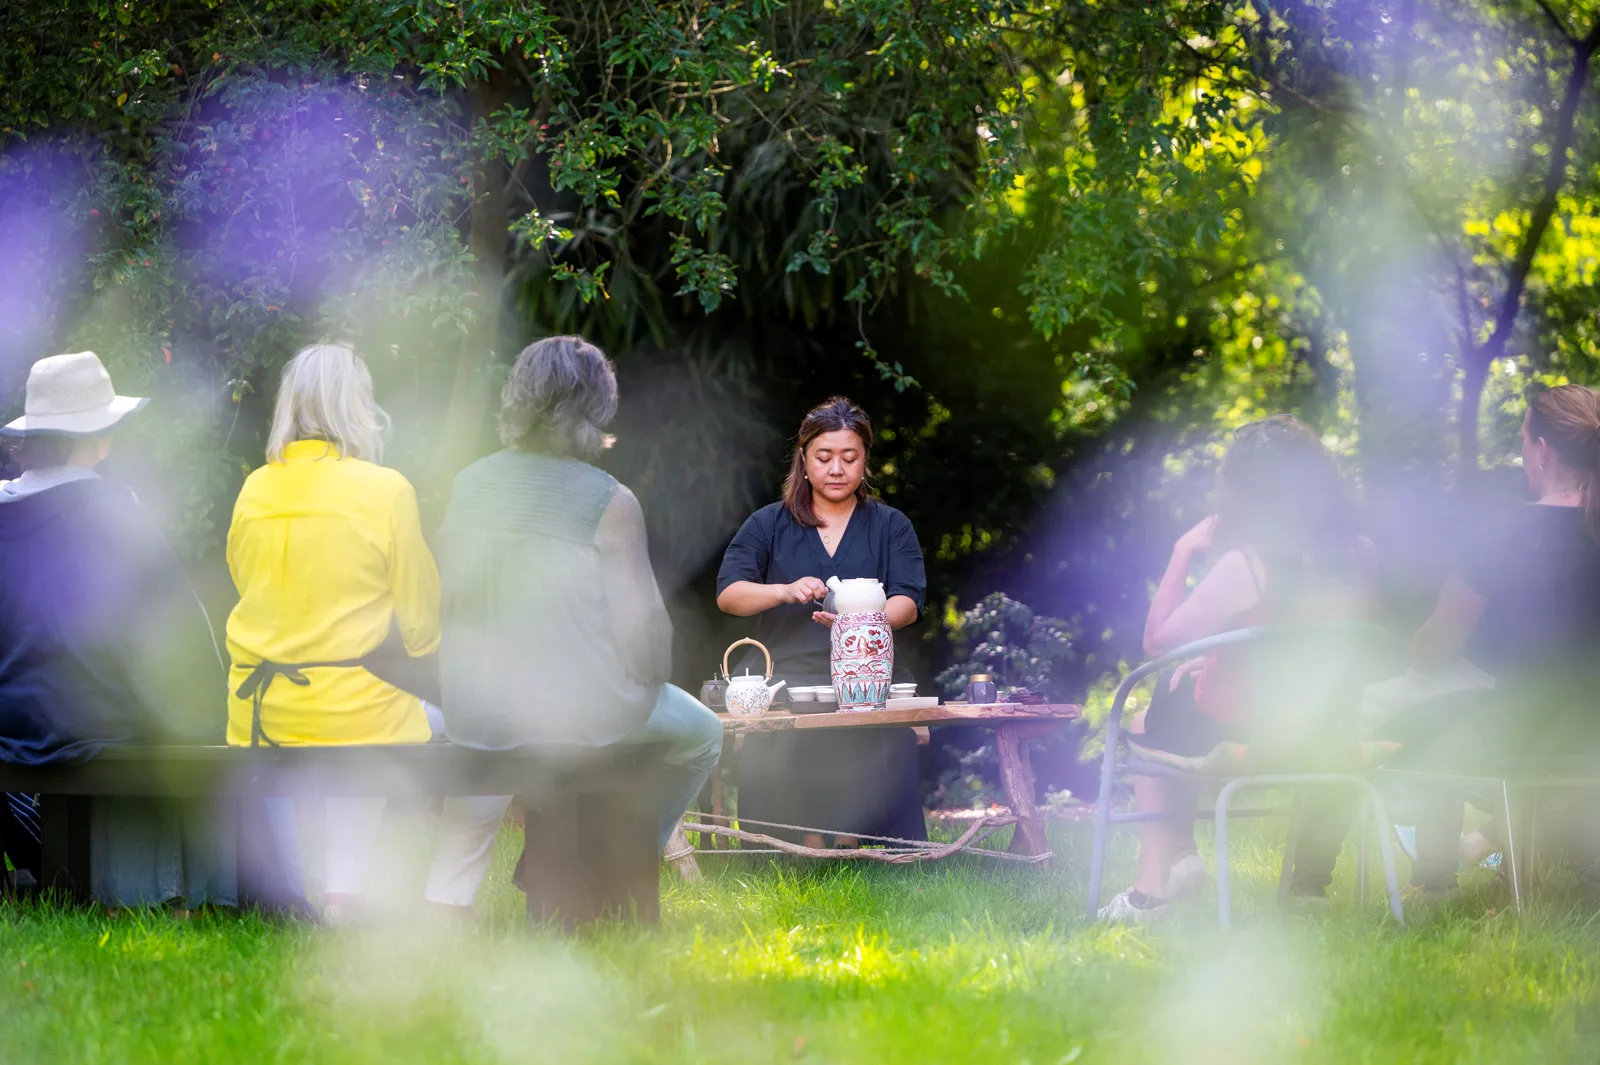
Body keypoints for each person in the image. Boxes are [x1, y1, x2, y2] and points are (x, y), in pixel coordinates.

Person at [421, 335, 722, 914]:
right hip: (579, 713)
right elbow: (647, 649)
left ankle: (450, 907)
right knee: (703, 734)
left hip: (477, 705)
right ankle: (629, 849)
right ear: (596, 407)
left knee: (487, 761)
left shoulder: (469, 485)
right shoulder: (610, 501)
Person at [1099, 415, 1378, 922]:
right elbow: (1313, 643)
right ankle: (1308, 889)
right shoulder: (1360, 556)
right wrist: (1221, 655)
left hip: (1250, 733)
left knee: (1150, 718)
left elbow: (1156, 642)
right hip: (1328, 738)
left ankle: (1155, 886)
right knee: (1175, 699)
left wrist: (1183, 552)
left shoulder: (1247, 565)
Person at [0, 351, 233, 907]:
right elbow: (177, 639)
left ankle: (48, 869)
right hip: (98, 720)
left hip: (10, 720)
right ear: (101, 437)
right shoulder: (117, 511)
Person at [225, 343, 441, 921]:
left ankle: (295, 890)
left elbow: (243, 580)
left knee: (344, 721)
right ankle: (350, 893)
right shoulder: (388, 489)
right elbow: (422, 631)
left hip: (259, 712)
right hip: (353, 711)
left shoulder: (253, 489)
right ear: (359, 408)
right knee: (421, 718)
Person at [1393, 384, 1600, 895]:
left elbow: (1434, 646)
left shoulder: (1505, 533)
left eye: (1525, 440)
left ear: (1543, 451)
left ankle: (1434, 885)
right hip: (1589, 734)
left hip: (1523, 734)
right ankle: (1506, 857)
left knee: (1421, 723)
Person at [716, 397, 928, 848]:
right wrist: (783, 591)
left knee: (882, 740)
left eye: (849, 458)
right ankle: (799, 841)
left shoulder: (890, 526)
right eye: (824, 457)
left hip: (869, 675)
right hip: (789, 677)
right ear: (804, 460)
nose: (837, 469)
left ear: (864, 461)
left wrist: (860, 625)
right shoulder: (769, 524)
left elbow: (907, 601)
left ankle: (858, 839)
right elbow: (730, 594)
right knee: (782, 740)